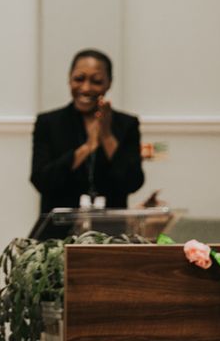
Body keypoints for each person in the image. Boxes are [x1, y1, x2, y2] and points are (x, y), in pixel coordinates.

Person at [30, 49, 144, 216]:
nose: (86, 88)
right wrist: (87, 147)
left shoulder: (126, 124)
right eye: (79, 79)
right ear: (69, 79)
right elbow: (42, 180)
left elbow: (132, 182)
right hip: (58, 231)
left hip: (110, 232)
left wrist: (106, 135)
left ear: (109, 83)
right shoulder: (48, 122)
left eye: (96, 81)